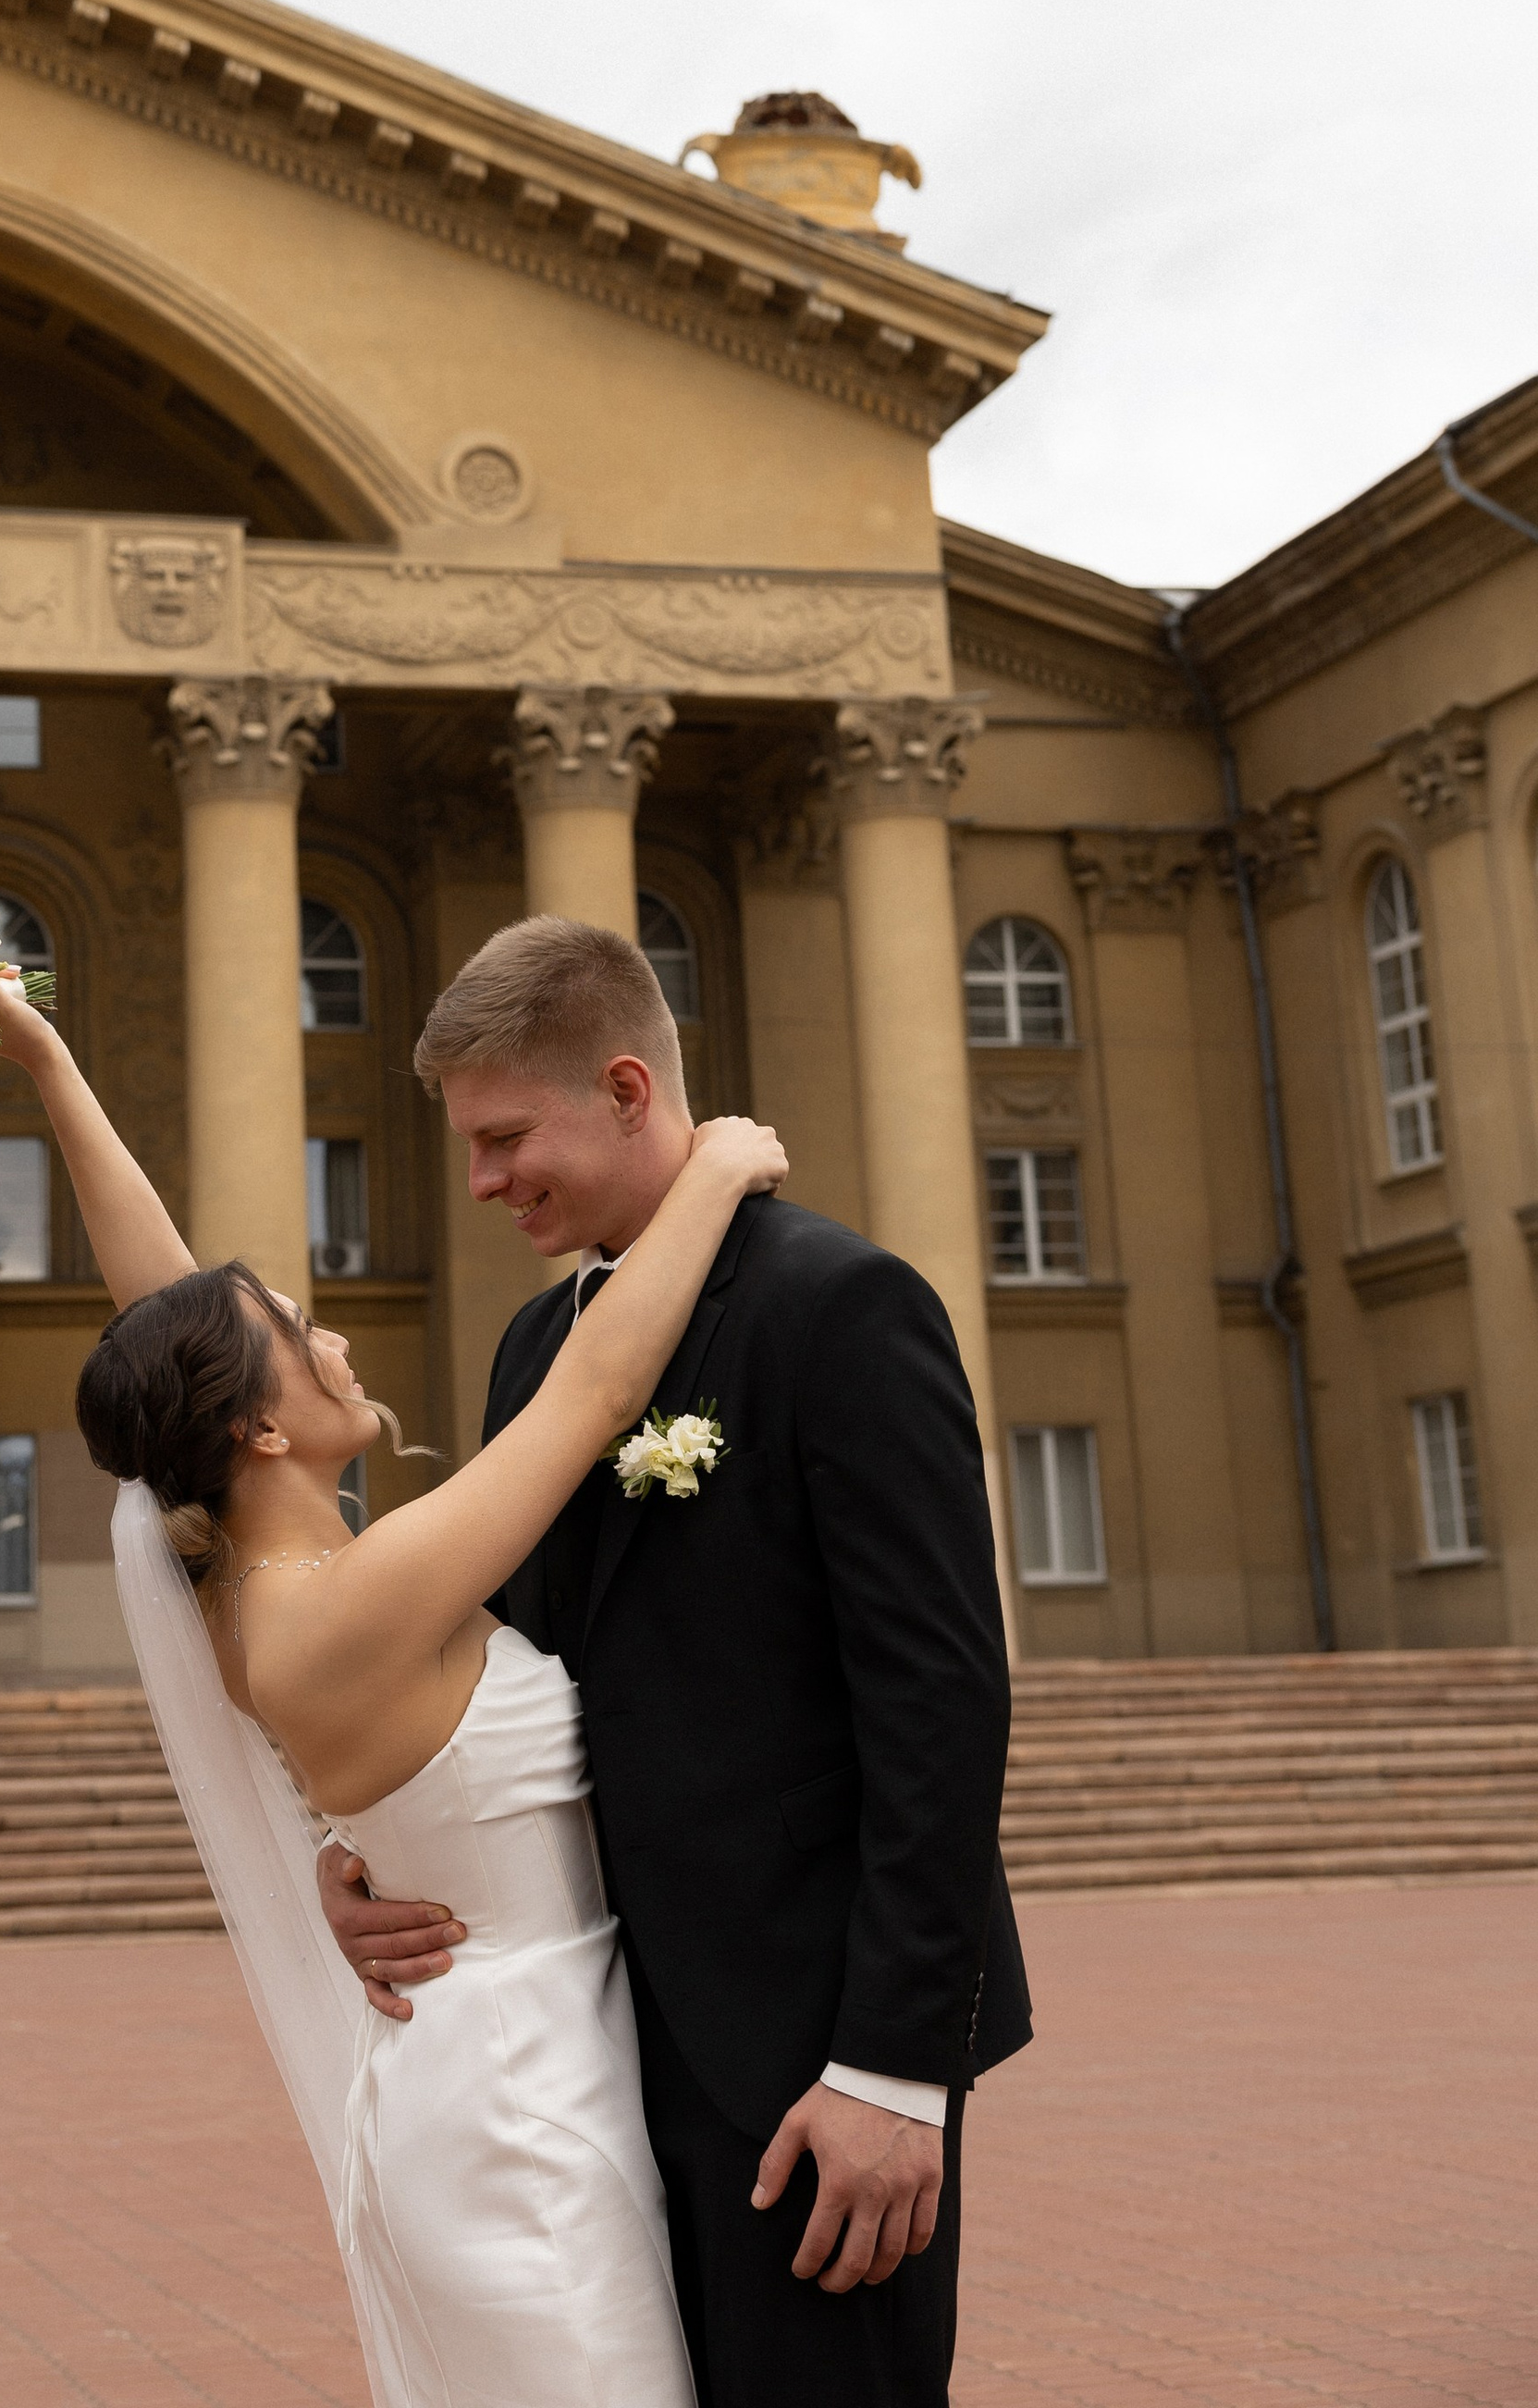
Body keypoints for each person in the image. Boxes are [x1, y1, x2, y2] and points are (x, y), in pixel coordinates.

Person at [0, 957, 789, 2408]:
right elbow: (596, 1392)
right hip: (521, 2110)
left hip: (497, 2071)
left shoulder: (239, 1588)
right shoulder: (356, 1599)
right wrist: (718, 1165)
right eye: (302, 1336)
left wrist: (50, 1070)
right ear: (259, 1430)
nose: (335, 1338)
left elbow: (167, 1305)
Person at [318, 914, 1032, 2408]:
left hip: (808, 2065)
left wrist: (896, 2071)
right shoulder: (537, 1351)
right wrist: (370, 1844)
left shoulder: (842, 1307)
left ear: (629, 1089)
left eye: (508, 1135)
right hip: (589, 2059)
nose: (483, 1180)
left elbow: (941, 1706)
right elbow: (510, 1668)